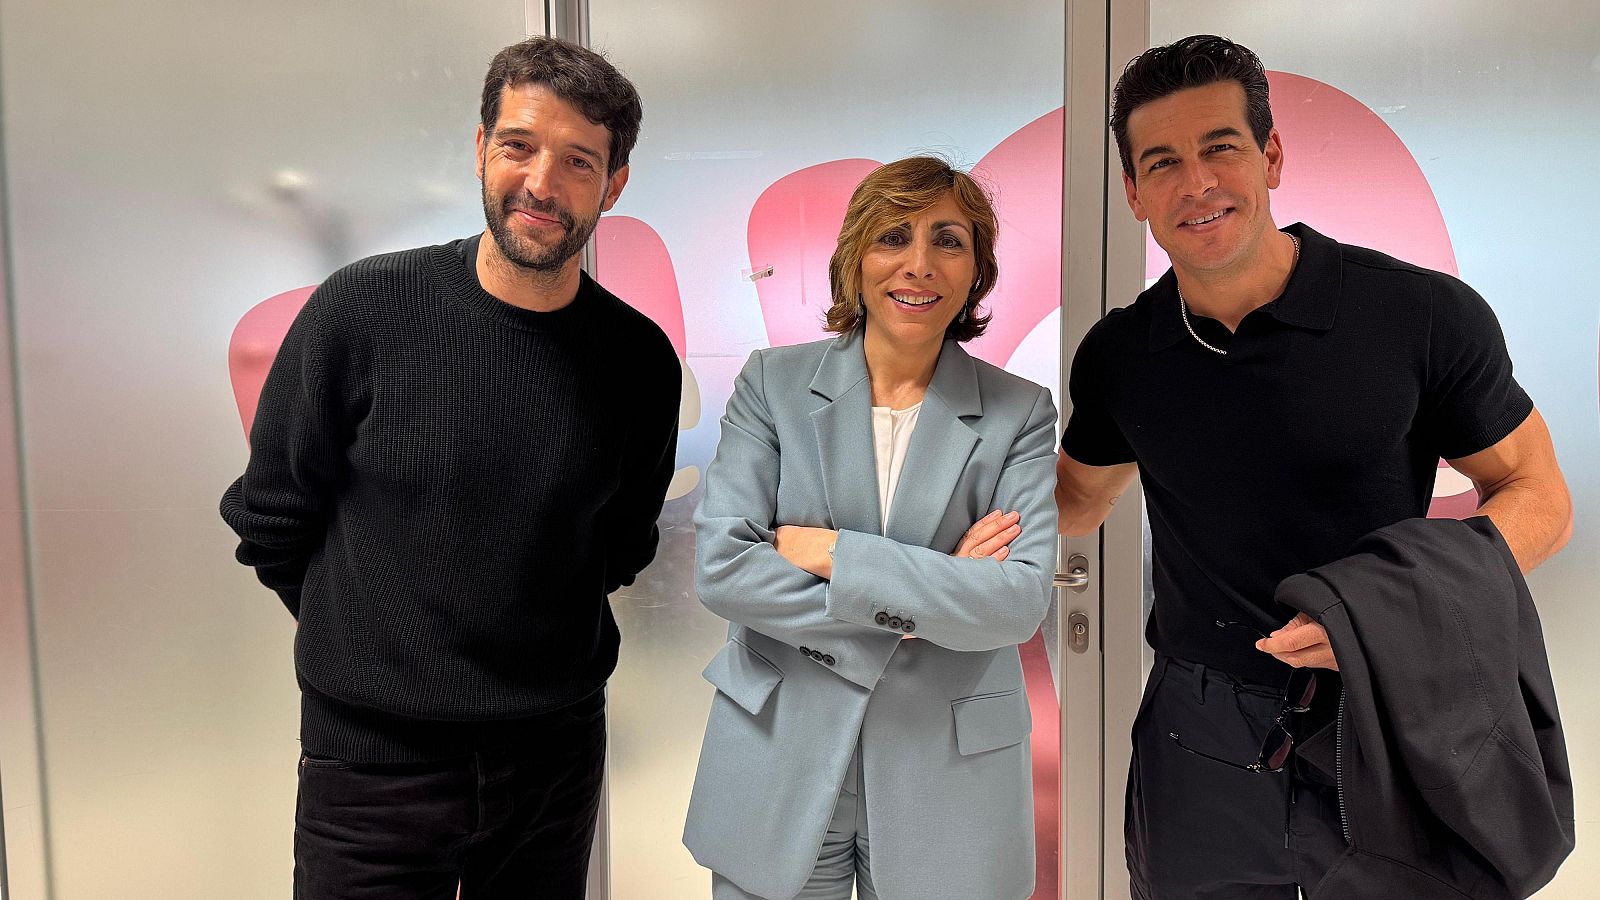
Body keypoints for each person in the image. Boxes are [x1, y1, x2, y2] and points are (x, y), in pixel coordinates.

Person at [1055, 35, 1572, 899]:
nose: (1198, 183)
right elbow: (1074, 499)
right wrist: (906, 477)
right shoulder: (1121, 356)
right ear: (1134, 193)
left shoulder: (1417, 314)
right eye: (1163, 162)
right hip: (1199, 730)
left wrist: (1383, 617)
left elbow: (1539, 496)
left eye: (1221, 147)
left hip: (1389, 707)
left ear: (1271, 155)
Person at [219, 37, 680, 899]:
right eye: (519, 146)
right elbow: (272, 518)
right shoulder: (362, 310)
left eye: (578, 161)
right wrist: (378, 646)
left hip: (555, 761)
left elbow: (622, 543)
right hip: (370, 773)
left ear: (614, 184)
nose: (542, 184)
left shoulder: (638, 360)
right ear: (480, 148)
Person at [683, 156, 1058, 900]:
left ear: (976, 269)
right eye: (894, 236)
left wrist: (829, 553)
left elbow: (1016, 603)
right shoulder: (772, 385)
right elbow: (724, 567)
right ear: (855, 259)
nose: (919, 265)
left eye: (948, 241)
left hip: (947, 771)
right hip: (780, 749)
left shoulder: (1021, 412)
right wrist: (933, 596)